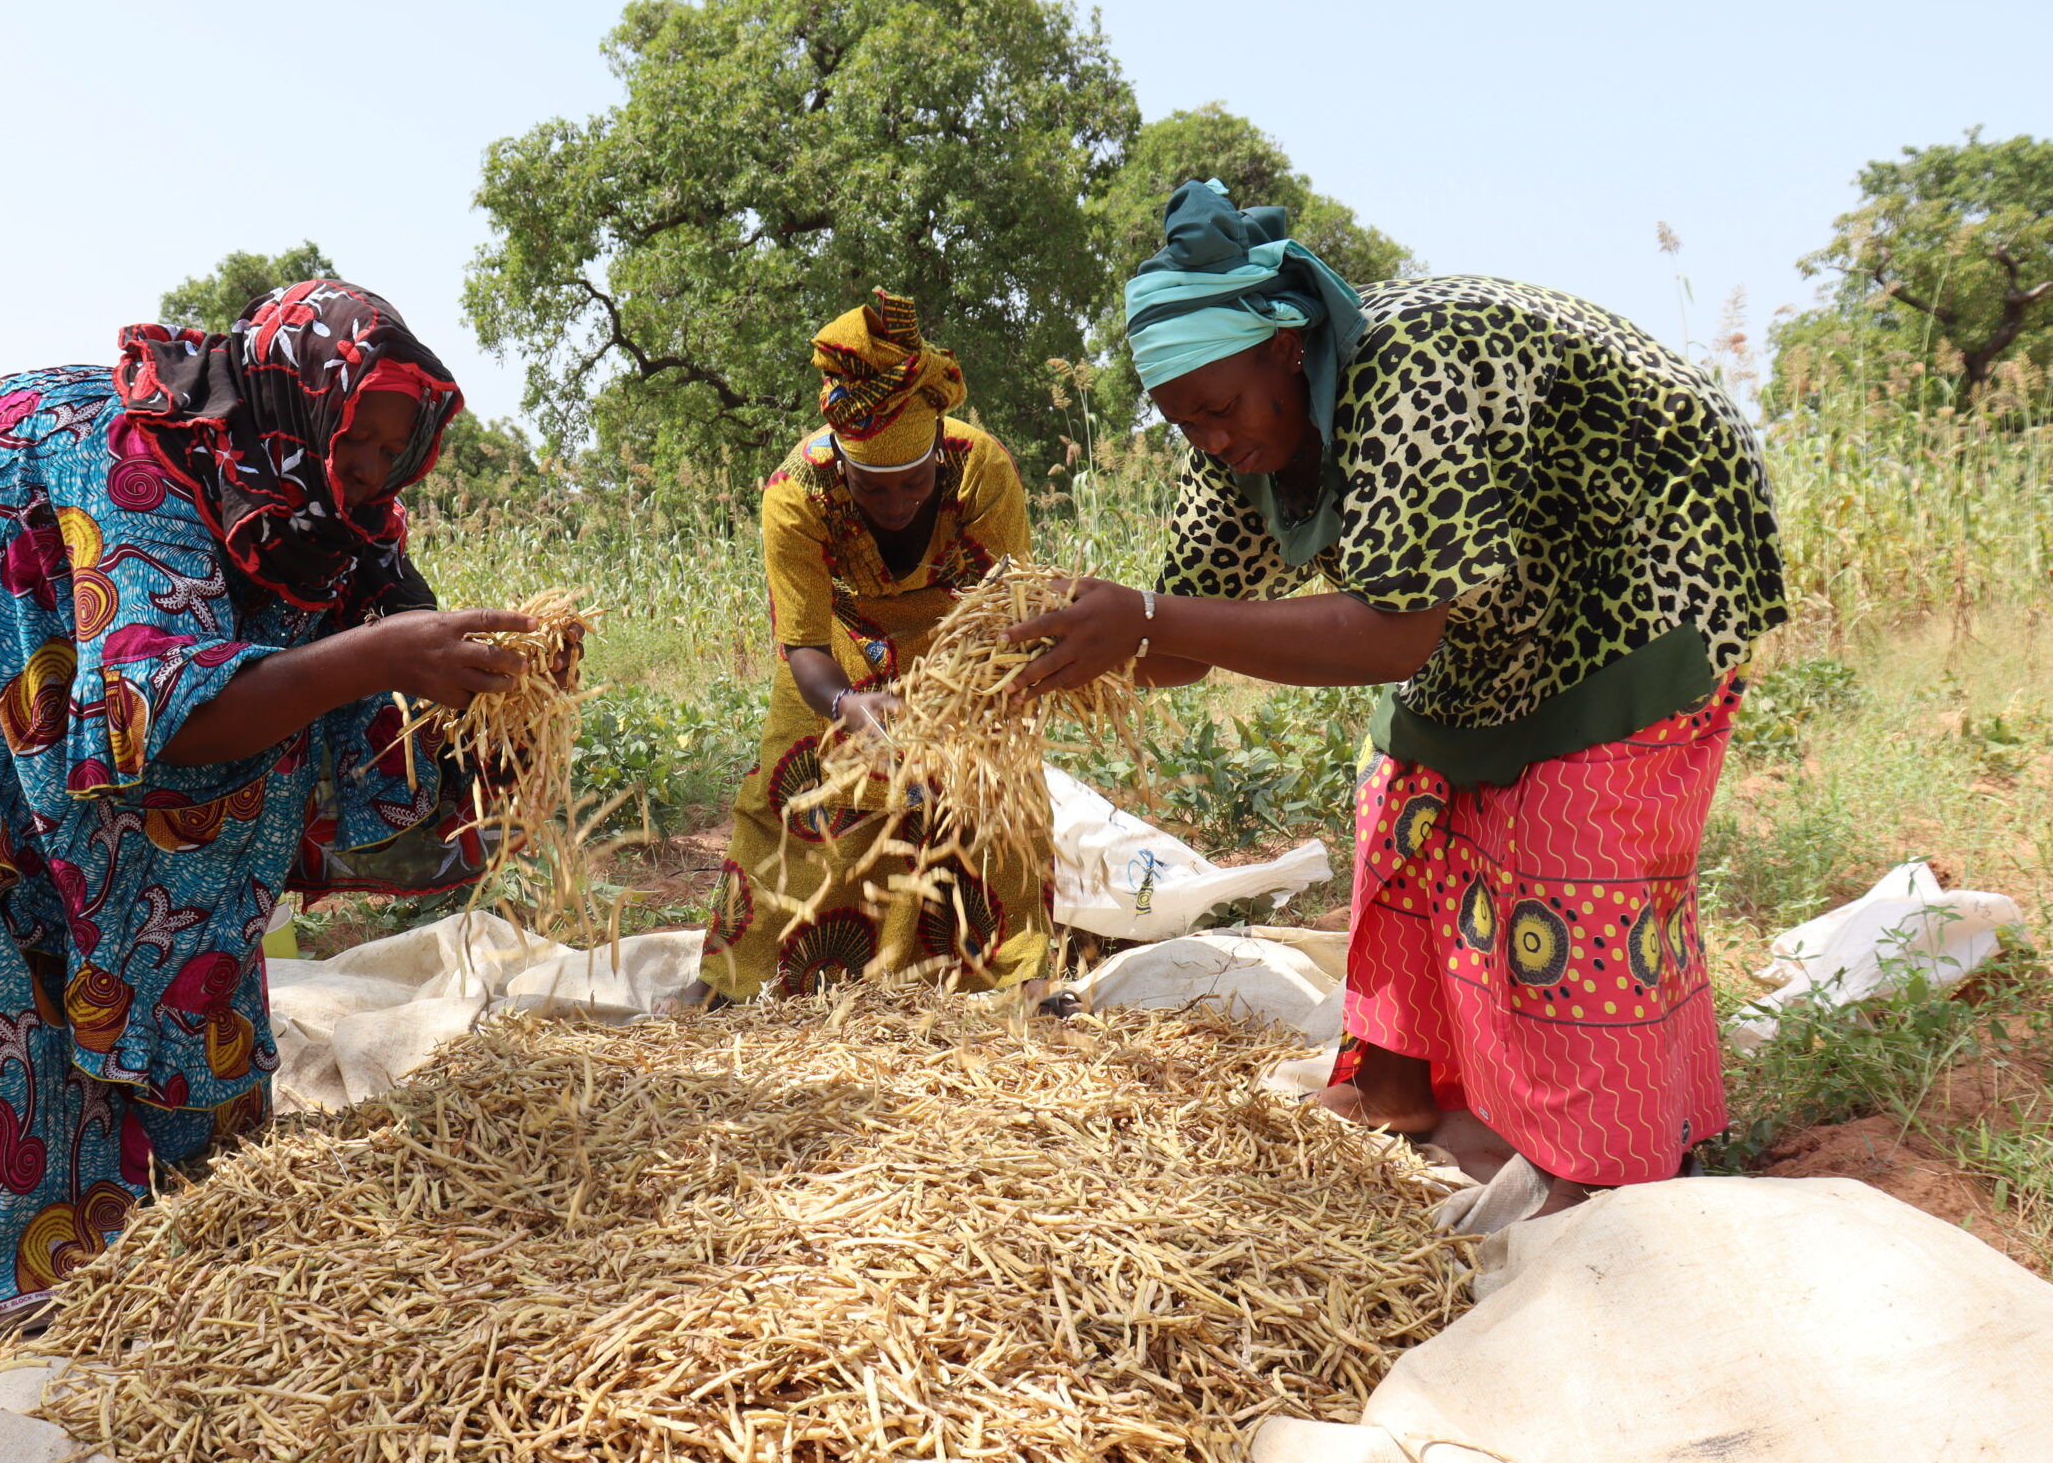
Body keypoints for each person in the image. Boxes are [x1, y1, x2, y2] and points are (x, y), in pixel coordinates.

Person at [0, 280, 543, 1316]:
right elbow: (164, 720)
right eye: (354, 438)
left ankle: (192, 1169)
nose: (365, 470)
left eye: (390, 450)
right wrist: (372, 658)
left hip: (37, 632)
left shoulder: (322, 523)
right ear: (299, 399)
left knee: (197, 837)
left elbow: (322, 707)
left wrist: (496, 699)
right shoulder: (133, 464)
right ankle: (11, 1262)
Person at [1011, 180, 1785, 1217]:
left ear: (1285, 349)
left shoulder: (1412, 372)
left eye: (1220, 408)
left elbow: (1392, 632)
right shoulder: (1233, 437)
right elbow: (1185, 636)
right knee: (1405, 801)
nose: (1211, 440)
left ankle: (1606, 1173)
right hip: (1495, 596)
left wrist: (1145, 617)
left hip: (1641, 570)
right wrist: (1036, 654)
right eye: (1182, 422)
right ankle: (1396, 1099)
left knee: (1568, 854)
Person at [695, 290, 1048, 1002]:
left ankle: (1011, 982)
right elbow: (801, 642)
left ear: (939, 458)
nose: (894, 504)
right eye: (871, 488)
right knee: (788, 792)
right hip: (843, 655)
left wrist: (960, 709)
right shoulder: (795, 493)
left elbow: (1008, 611)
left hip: (965, 651)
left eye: (912, 484)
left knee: (993, 792)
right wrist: (848, 705)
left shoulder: (985, 471)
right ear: (841, 466)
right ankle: (739, 982)